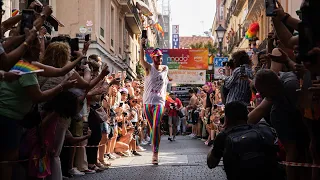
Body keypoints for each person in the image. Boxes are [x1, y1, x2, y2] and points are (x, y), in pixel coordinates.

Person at [207, 101, 281, 180]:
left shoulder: (223, 136)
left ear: (226, 118)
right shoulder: (263, 129)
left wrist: (217, 140)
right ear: (247, 115)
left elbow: (211, 163)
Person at [140, 39, 169, 165]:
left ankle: (155, 153)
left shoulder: (165, 69)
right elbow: (141, 60)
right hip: (147, 102)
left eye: (161, 57)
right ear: (153, 58)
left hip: (159, 102)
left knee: (156, 125)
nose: (160, 59)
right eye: (157, 57)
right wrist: (142, 46)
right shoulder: (148, 68)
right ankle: (155, 146)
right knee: (152, 128)